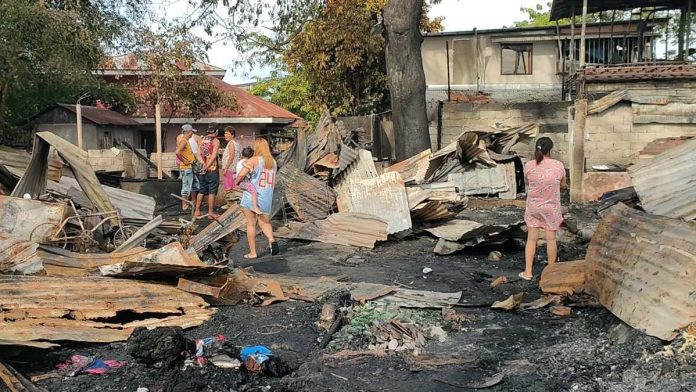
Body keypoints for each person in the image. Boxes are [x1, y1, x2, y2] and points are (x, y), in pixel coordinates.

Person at [520, 137, 567, 281]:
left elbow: (528, 182)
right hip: (551, 207)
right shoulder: (558, 165)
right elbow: (563, 185)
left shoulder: (528, 165)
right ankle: (550, 274)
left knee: (531, 239)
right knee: (551, 239)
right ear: (550, 149)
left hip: (533, 206)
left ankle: (528, 272)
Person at [235, 138, 279, 259]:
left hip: (252, 194)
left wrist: (237, 181)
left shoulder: (254, 160)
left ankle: (253, 252)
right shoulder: (273, 162)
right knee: (265, 222)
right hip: (267, 196)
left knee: (251, 224)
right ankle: (271, 240)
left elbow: (241, 174)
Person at [194, 123, 221, 218]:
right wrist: (208, 165)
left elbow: (198, 155)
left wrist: (203, 164)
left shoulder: (202, 140)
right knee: (212, 191)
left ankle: (197, 211)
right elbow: (213, 156)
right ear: (216, 131)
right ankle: (210, 213)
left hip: (202, 169)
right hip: (212, 169)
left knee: (201, 190)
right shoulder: (215, 141)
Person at [175, 124, 200, 211]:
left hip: (190, 167)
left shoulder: (186, 140)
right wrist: (184, 161)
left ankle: (191, 202)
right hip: (186, 168)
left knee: (194, 185)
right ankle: (184, 205)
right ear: (188, 132)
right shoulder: (184, 141)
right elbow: (177, 152)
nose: (192, 134)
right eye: (191, 132)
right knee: (186, 186)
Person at [220, 126, 241, 209]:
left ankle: (229, 204)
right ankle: (232, 204)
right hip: (235, 168)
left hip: (230, 168)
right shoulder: (236, 143)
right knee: (233, 186)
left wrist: (226, 168)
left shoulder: (231, 143)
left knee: (228, 187)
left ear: (232, 135)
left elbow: (231, 156)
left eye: (227, 134)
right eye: (225, 133)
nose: (225, 135)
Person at [236, 147, 262, 214]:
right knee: (254, 192)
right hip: (244, 180)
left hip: (242, 180)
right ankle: (255, 207)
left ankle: (245, 207)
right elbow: (244, 165)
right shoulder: (246, 161)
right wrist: (250, 168)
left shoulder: (240, 161)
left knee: (248, 194)